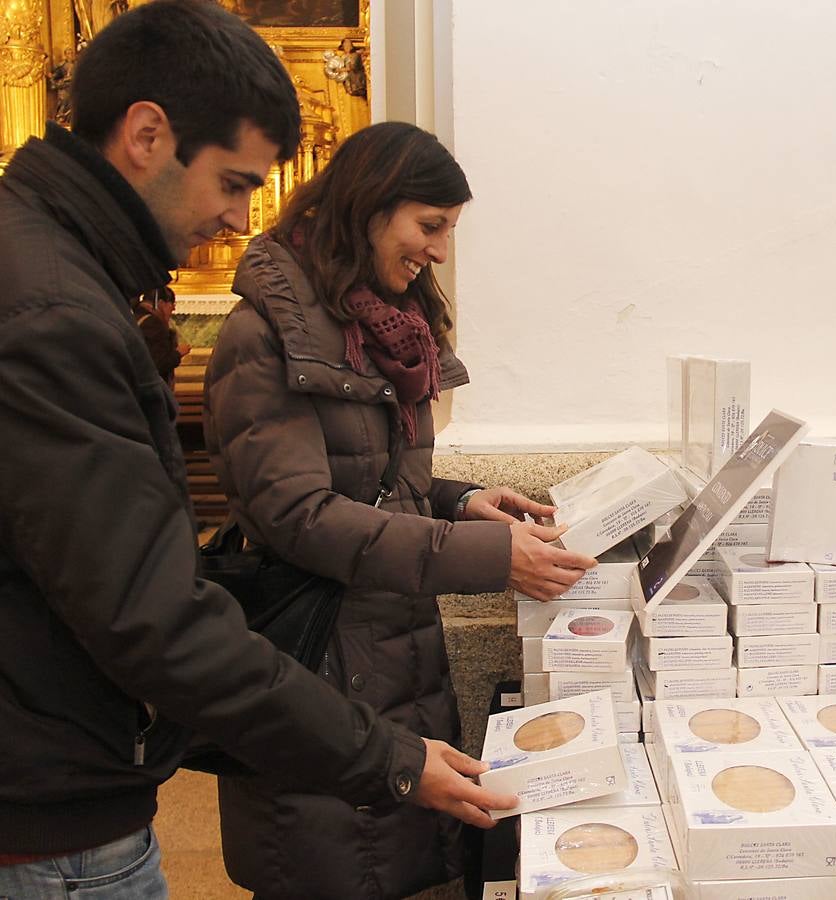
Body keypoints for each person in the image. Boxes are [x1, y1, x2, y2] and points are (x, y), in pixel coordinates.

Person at [0, 3, 527, 896]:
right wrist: (388, 758)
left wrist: (458, 501)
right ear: (147, 133)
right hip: (58, 792)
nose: (242, 218)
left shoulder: (59, 278)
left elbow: (379, 478)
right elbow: (173, 598)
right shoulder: (58, 313)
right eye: (234, 182)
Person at [203, 119, 597, 899]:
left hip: (388, 648)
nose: (441, 252)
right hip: (320, 662)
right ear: (369, 206)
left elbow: (373, 478)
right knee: (328, 862)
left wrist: (463, 500)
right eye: (430, 226)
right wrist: (488, 557)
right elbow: (299, 514)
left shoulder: (385, 329)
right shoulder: (265, 336)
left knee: (389, 862)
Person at [135, 285, 191, 384]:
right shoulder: (153, 323)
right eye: (171, 303)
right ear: (160, 303)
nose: (174, 308)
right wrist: (178, 353)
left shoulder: (136, 315)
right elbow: (159, 364)